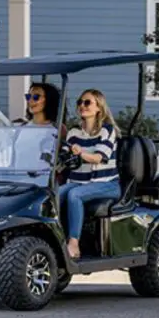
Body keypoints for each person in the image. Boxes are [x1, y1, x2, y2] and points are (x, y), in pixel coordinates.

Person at [57, 89, 121, 258]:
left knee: (74, 195)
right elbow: (65, 157)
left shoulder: (107, 131)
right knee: (53, 195)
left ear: (99, 107)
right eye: (80, 102)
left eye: (87, 102)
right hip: (79, 181)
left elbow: (98, 158)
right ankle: (55, 237)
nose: (82, 106)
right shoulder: (73, 133)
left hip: (107, 184)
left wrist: (80, 154)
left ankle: (74, 243)